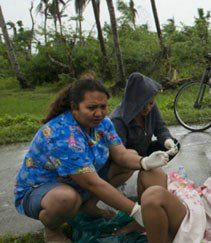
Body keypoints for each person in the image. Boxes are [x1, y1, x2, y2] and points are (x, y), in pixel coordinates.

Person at [13, 78, 169, 243]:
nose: (99, 113)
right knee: (66, 199)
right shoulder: (61, 134)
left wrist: (143, 162)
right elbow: (92, 183)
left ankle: (88, 206)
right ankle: (52, 231)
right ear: (74, 107)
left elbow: (121, 154)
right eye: (91, 107)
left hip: (78, 180)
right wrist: (135, 211)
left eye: (103, 106)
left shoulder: (103, 123)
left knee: (128, 160)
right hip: (42, 189)